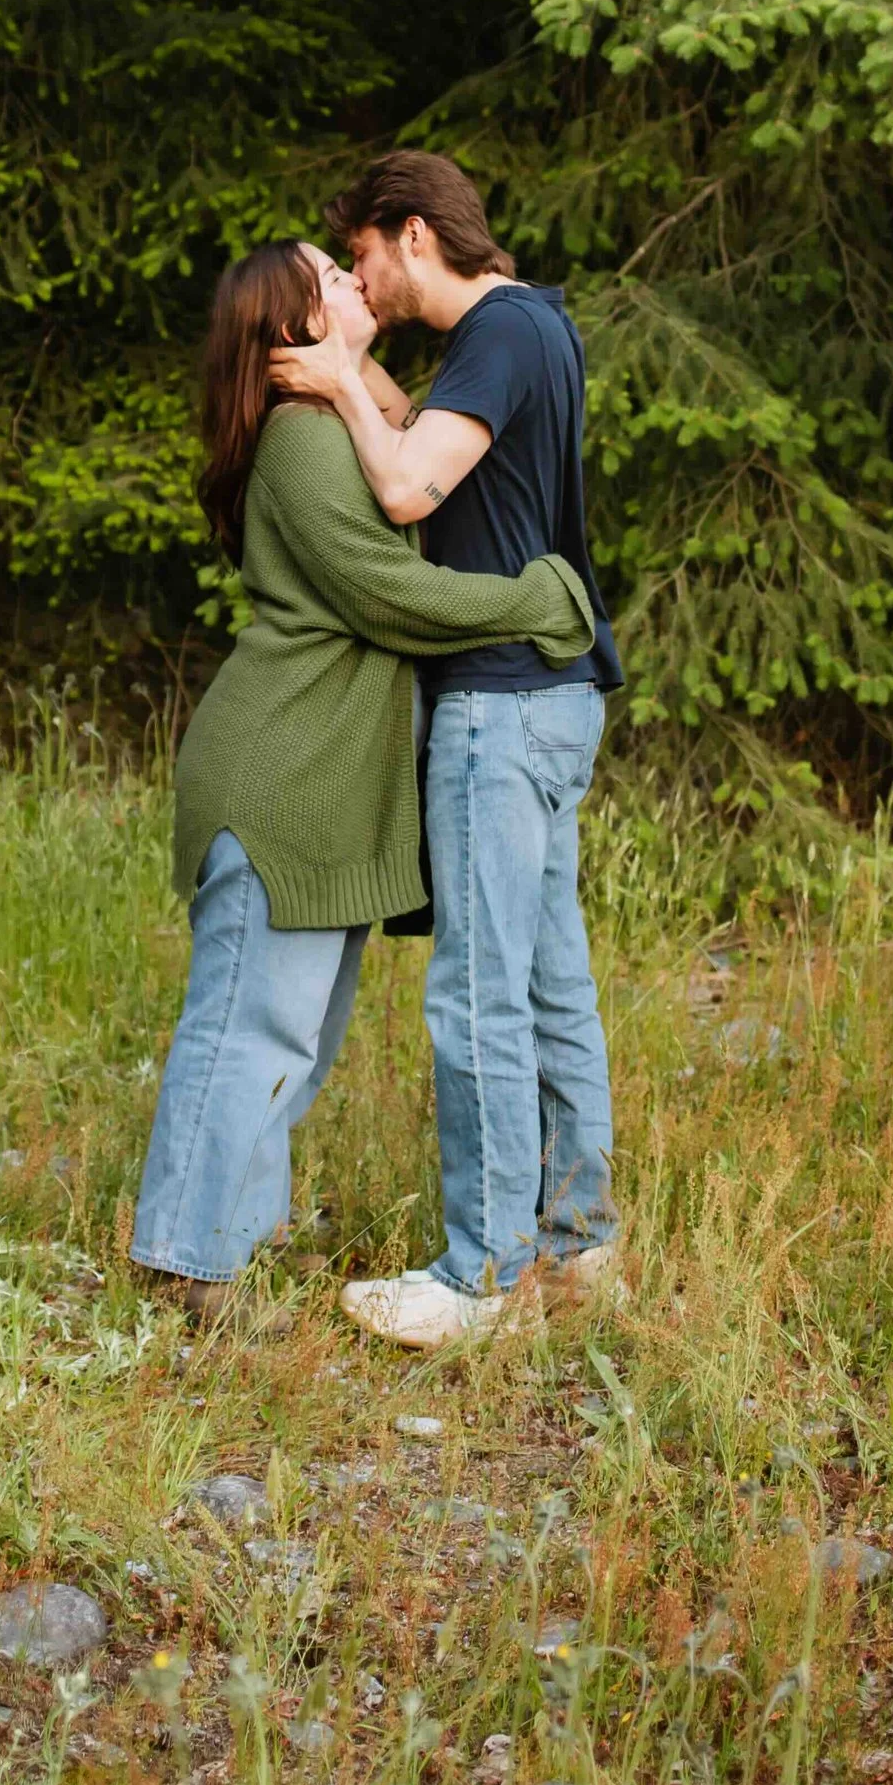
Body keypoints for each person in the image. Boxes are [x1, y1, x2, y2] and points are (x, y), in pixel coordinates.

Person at [132, 237, 600, 1312]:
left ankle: (224, 1251)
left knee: (294, 1037)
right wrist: (541, 599)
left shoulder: (330, 423)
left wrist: (345, 366)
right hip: (278, 777)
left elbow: (401, 447)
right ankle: (184, 1263)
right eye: (330, 279)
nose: (355, 281)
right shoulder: (301, 444)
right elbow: (393, 593)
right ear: (293, 328)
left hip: (322, 784)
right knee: (251, 1028)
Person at [271, 148, 621, 1346]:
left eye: (364, 255)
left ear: (411, 234)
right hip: (553, 699)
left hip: (499, 702)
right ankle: (579, 1253)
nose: (363, 281)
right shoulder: (534, 329)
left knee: (477, 993)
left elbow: (409, 491)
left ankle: (480, 1278)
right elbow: (426, 448)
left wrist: (328, 391)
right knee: (549, 981)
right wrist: (354, 377)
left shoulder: (498, 331)